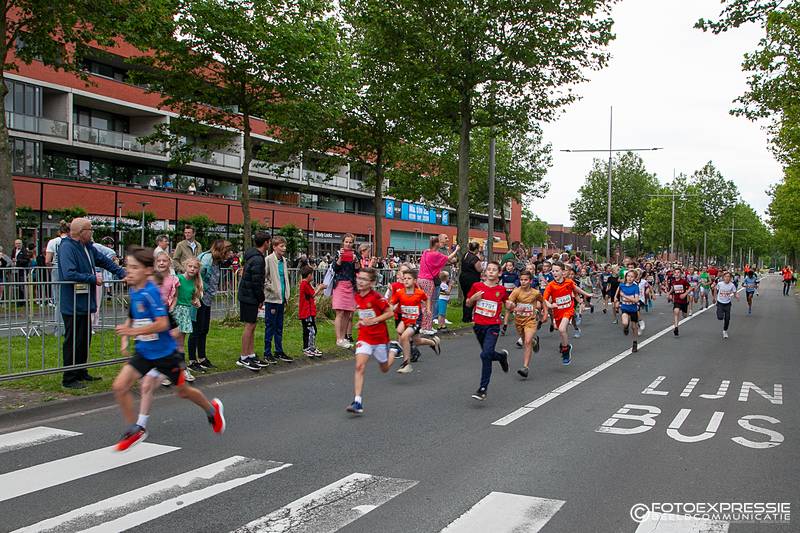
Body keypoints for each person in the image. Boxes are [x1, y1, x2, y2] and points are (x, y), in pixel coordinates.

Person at [112, 246, 225, 451]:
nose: (129, 271)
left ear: (147, 270)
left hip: (166, 354)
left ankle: (212, 410)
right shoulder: (134, 289)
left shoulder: (151, 292)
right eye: (128, 267)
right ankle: (134, 429)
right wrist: (126, 335)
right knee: (120, 386)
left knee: (183, 392)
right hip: (144, 352)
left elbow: (162, 323)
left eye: (134, 267)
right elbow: (133, 315)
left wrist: (132, 332)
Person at [58, 218, 126, 389]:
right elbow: (68, 273)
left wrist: (121, 272)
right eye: (90, 229)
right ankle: (69, 378)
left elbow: (103, 260)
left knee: (84, 338)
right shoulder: (67, 247)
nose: (92, 232)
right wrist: (92, 278)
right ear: (82, 232)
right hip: (72, 303)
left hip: (85, 301)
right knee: (73, 340)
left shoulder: (88, 247)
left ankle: (81, 371)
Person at [347, 268, 397, 414]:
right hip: (365, 337)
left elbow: (390, 313)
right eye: (359, 278)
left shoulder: (376, 297)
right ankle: (357, 401)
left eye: (364, 279)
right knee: (359, 366)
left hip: (380, 338)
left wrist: (374, 320)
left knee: (384, 369)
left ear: (372, 282)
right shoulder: (357, 296)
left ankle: (393, 350)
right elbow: (363, 314)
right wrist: (361, 322)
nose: (360, 282)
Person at [465, 261, 509, 401]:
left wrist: (512, 306)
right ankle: (501, 357)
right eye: (488, 269)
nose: (490, 271)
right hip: (479, 326)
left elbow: (508, 303)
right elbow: (468, 303)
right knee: (487, 353)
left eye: (494, 270)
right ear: (485, 272)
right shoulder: (477, 286)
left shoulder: (501, 290)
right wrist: (474, 298)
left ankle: (482, 389)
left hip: (493, 326)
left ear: (499, 273)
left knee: (485, 355)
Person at [190, 239, 231, 369]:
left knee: (204, 329)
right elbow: (197, 278)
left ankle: (202, 357)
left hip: (207, 299)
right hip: (199, 298)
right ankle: (192, 360)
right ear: (221, 251)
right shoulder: (207, 260)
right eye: (227, 251)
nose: (229, 254)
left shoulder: (216, 261)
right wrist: (200, 292)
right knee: (196, 330)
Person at [390, 269, 440, 374]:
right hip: (405, 319)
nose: (406, 280)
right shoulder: (399, 293)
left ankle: (407, 364)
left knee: (404, 337)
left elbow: (427, 299)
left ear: (415, 281)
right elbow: (391, 304)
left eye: (409, 278)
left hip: (416, 320)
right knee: (415, 340)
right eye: (404, 278)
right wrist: (390, 308)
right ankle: (433, 342)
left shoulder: (419, 292)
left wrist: (428, 309)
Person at [542, 262, 593, 365]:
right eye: (553, 271)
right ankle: (566, 345)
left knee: (562, 329)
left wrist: (587, 294)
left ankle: (565, 351)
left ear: (562, 272)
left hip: (568, 310)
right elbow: (544, 299)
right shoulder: (551, 285)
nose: (554, 273)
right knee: (560, 329)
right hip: (558, 312)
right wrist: (550, 305)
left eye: (557, 271)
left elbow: (576, 289)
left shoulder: (569, 282)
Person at [237, 231, 270, 371]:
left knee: (252, 325)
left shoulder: (252, 255)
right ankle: (244, 356)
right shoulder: (258, 259)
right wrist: (261, 298)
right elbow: (257, 282)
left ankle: (250, 353)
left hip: (247, 294)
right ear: (266, 242)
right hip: (249, 296)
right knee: (249, 326)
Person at [506, 271, 545, 379]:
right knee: (526, 341)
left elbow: (543, 301)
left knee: (527, 341)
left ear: (530, 281)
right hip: (519, 321)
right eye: (521, 280)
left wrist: (545, 314)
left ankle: (525, 367)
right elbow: (508, 305)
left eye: (526, 280)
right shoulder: (516, 291)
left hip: (531, 320)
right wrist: (514, 307)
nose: (523, 282)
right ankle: (535, 341)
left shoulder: (535, 293)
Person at [418, 234, 459, 335]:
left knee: (423, 304)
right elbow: (448, 258)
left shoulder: (426, 252)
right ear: (436, 244)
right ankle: (427, 327)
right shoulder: (436, 254)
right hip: (428, 280)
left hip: (420, 279)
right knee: (429, 304)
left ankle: (423, 326)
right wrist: (456, 250)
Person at [263, 235, 292, 363]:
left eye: (284, 246)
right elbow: (263, 277)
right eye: (281, 246)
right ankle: (267, 352)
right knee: (270, 326)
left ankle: (279, 351)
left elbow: (284, 278)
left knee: (279, 326)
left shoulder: (284, 260)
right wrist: (271, 287)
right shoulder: (268, 259)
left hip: (281, 298)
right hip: (272, 299)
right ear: (274, 247)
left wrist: (286, 294)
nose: (284, 248)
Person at [176, 257, 204, 373]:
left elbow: (191, 297)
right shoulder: (178, 279)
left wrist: (195, 301)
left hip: (185, 312)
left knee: (180, 342)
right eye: (190, 266)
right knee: (172, 341)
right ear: (185, 266)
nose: (192, 269)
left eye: (195, 267)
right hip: (175, 311)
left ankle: (181, 368)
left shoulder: (195, 282)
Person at [332, 233, 359, 348]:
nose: (348, 244)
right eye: (346, 242)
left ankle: (343, 338)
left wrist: (356, 261)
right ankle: (338, 339)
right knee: (340, 312)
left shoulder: (355, 254)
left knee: (348, 313)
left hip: (351, 285)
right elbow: (335, 268)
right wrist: (340, 258)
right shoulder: (338, 253)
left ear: (353, 243)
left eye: (350, 242)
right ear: (343, 242)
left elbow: (358, 270)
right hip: (340, 284)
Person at [299, 264, 324, 358]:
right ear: (309, 275)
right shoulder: (304, 284)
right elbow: (313, 294)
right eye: (312, 274)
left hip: (309, 311)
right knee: (310, 330)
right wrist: (320, 288)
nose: (313, 276)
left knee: (312, 330)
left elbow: (312, 293)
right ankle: (307, 348)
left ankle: (311, 347)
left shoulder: (306, 284)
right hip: (306, 312)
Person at [616, 270, 641, 353]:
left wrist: (625, 296)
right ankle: (626, 327)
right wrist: (616, 300)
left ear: (634, 278)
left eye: (632, 277)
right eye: (628, 276)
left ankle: (635, 343)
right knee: (625, 323)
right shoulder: (621, 285)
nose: (629, 278)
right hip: (625, 308)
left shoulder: (635, 287)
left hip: (633, 309)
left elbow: (636, 300)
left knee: (634, 327)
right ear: (626, 276)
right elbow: (617, 295)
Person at [458, 242, 483, 323]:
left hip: (463, 277)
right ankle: (468, 317)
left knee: (466, 296)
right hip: (471, 279)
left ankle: (465, 316)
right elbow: (479, 269)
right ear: (476, 249)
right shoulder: (475, 258)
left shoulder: (466, 255)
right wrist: (480, 262)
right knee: (471, 297)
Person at [715, 271, 739, 338]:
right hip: (720, 303)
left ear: (730, 278)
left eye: (728, 277)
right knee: (720, 317)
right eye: (725, 276)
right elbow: (715, 289)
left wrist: (737, 296)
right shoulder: (720, 284)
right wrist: (714, 298)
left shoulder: (732, 285)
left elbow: (735, 292)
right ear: (723, 277)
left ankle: (725, 331)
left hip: (727, 303)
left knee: (727, 318)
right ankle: (719, 311)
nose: (727, 278)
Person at [667, 267, 689, 336]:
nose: (676, 274)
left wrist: (685, 294)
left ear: (681, 274)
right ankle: (676, 328)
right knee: (676, 311)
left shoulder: (683, 281)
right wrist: (669, 293)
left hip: (684, 301)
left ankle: (684, 311)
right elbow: (672, 288)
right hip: (677, 300)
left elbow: (690, 287)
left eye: (678, 272)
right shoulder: (673, 281)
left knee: (685, 315)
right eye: (675, 272)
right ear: (674, 274)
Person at [499, 260, 520, 336]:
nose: (508, 267)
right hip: (505, 294)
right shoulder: (504, 274)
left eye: (510, 265)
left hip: (512, 294)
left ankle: (506, 326)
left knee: (508, 309)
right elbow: (498, 276)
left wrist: (515, 287)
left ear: (513, 267)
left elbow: (517, 284)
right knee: (507, 309)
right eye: (507, 265)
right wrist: (502, 268)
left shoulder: (516, 275)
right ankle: (505, 325)